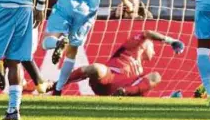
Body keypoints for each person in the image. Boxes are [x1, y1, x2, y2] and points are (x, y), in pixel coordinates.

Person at [54, 30, 184, 96]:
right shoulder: (130, 48)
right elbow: (148, 33)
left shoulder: (141, 76)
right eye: (153, 48)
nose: (155, 53)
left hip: (127, 89)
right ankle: (57, 86)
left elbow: (143, 90)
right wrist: (171, 41)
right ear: (144, 45)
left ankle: (123, 92)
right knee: (95, 68)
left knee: (156, 76)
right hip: (108, 79)